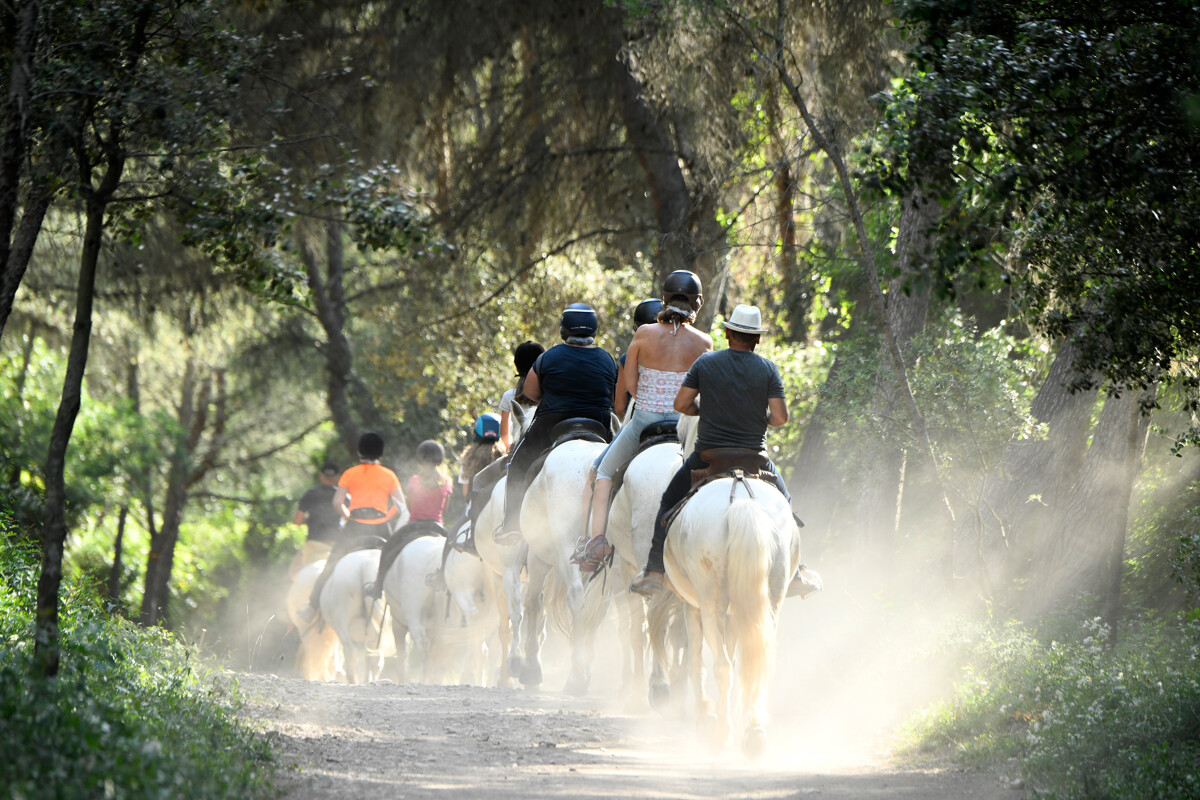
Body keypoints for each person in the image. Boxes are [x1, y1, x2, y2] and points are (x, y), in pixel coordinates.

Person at [629, 304, 794, 598]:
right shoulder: (768, 369)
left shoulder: (705, 364)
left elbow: (681, 405)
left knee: (668, 502)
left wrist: (703, 409)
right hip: (756, 459)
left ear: (728, 333)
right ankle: (796, 571)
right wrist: (758, 417)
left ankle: (655, 570)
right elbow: (781, 418)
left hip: (707, 458)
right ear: (757, 339)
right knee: (786, 507)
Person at [577, 273, 713, 571]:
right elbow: (706, 388)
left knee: (601, 472)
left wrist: (653, 401)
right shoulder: (704, 341)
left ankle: (596, 542)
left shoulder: (644, 334)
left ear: (664, 298)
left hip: (644, 422)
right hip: (683, 424)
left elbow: (631, 384)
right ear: (697, 304)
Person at [495, 303, 618, 544]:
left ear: (563, 330)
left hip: (552, 422)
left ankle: (510, 524)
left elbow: (530, 393)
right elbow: (615, 398)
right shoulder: (607, 359)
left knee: (518, 462)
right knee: (620, 465)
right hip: (599, 423)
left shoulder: (548, 357)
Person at [298, 432, 407, 622]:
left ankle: (312, 606)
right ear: (380, 453)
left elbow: (337, 502)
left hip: (355, 526)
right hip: (381, 526)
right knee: (398, 564)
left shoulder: (350, 473)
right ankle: (405, 607)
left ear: (360, 452)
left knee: (331, 563)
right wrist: (385, 518)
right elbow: (400, 505)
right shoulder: (389, 475)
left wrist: (350, 516)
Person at [366, 439, 452, 598]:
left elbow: (411, 506)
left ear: (420, 459)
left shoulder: (415, 480)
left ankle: (378, 587)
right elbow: (445, 508)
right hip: (437, 526)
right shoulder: (446, 483)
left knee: (387, 549)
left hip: (414, 526)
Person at [290, 461, 342, 572]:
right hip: (335, 546)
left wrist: (308, 520)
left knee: (294, 572)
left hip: (314, 544)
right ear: (338, 477)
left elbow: (297, 521)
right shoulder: (343, 496)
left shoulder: (310, 494)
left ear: (321, 476)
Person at [499, 341, 544, 452]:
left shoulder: (509, 396)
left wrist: (510, 449)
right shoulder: (548, 396)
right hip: (544, 447)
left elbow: (504, 434)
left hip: (519, 449)